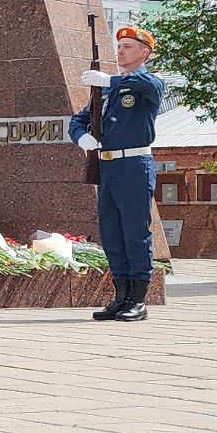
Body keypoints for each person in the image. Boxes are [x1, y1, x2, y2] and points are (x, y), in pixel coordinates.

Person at [70, 25, 166, 322]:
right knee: (112, 234)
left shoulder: (149, 81)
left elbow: (145, 85)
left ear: (144, 53)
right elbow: (80, 118)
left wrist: (109, 80)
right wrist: (82, 138)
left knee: (136, 233)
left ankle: (138, 300)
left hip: (134, 166)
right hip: (109, 167)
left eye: (127, 46)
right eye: (119, 46)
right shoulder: (108, 90)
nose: (120, 51)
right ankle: (120, 296)